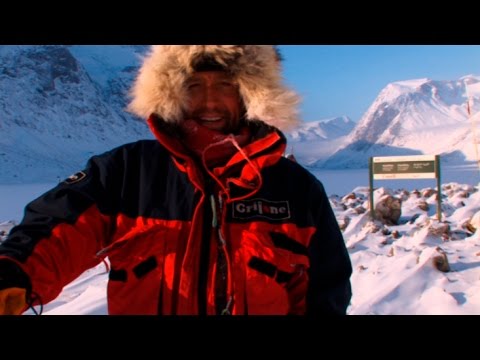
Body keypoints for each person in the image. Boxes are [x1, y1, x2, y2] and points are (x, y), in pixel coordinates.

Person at [0, 45, 352, 315]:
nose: (209, 102)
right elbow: (56, 229)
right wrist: (14, 274)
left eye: (226, 85)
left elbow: (327, 290)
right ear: (171, 92)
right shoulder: (126, 173)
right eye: (194, 85)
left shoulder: (296, 189)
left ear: (250, 93)